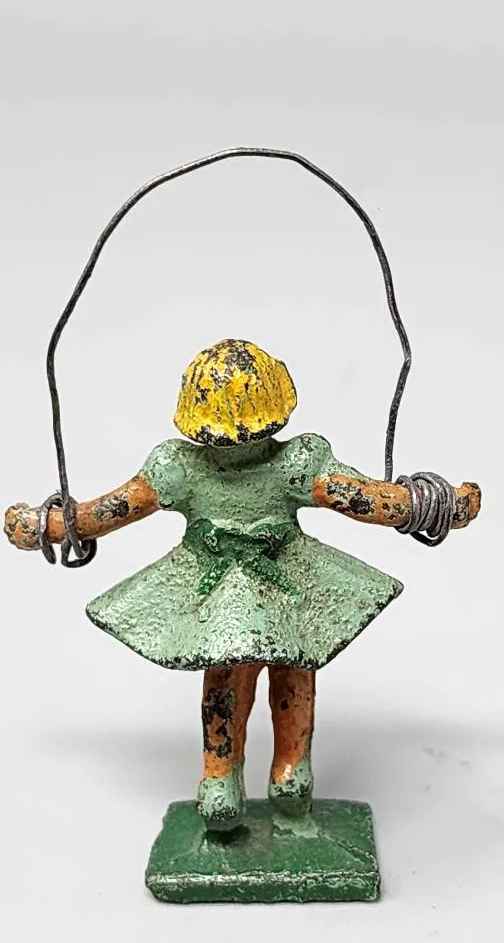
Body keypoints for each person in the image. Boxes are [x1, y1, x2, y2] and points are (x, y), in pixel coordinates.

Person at [4, 339, 480, 832]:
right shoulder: (298, 463)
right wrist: (440, 505)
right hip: (286, 584)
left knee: (228, 673)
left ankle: (221, 780)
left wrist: (45, 526)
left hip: (225, 589)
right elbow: (372, 501)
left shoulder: (178, 468)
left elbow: (103, 514)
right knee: (294, 664)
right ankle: (289, 776)